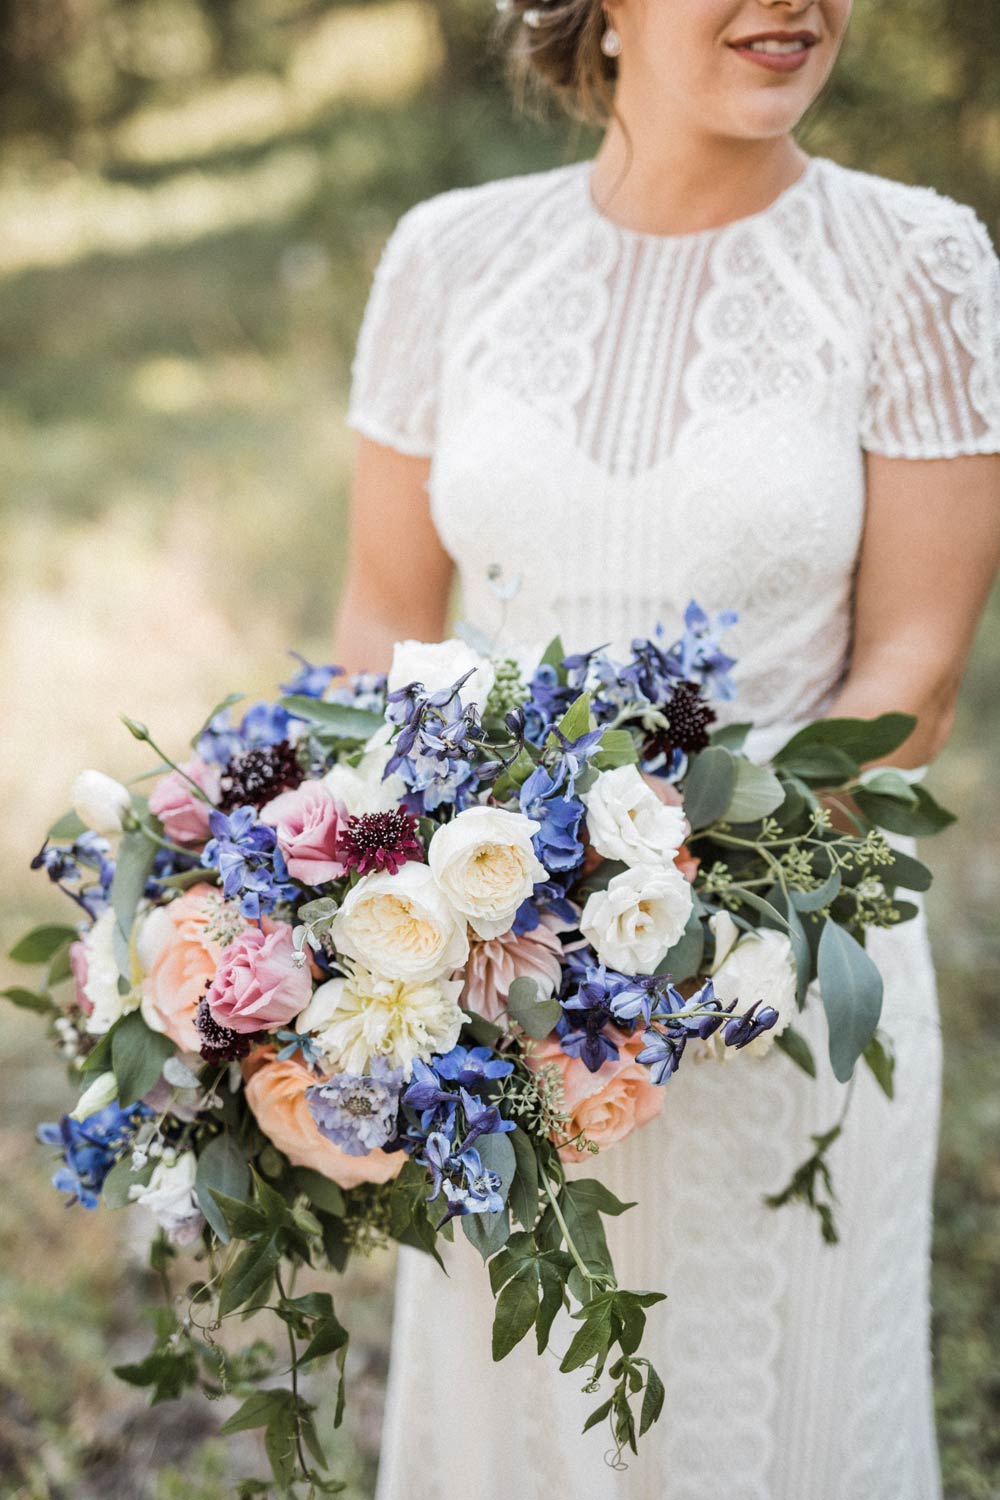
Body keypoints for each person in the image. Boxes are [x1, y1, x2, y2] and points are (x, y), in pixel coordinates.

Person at [333, 1, 1000, 1495]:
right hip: (488, 983)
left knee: (757, 1423)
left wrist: (671, 904)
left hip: (775, 971)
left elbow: (918, 674)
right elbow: (379, 615)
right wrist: (347, 921)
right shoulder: (450, 258)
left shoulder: (920, 263)